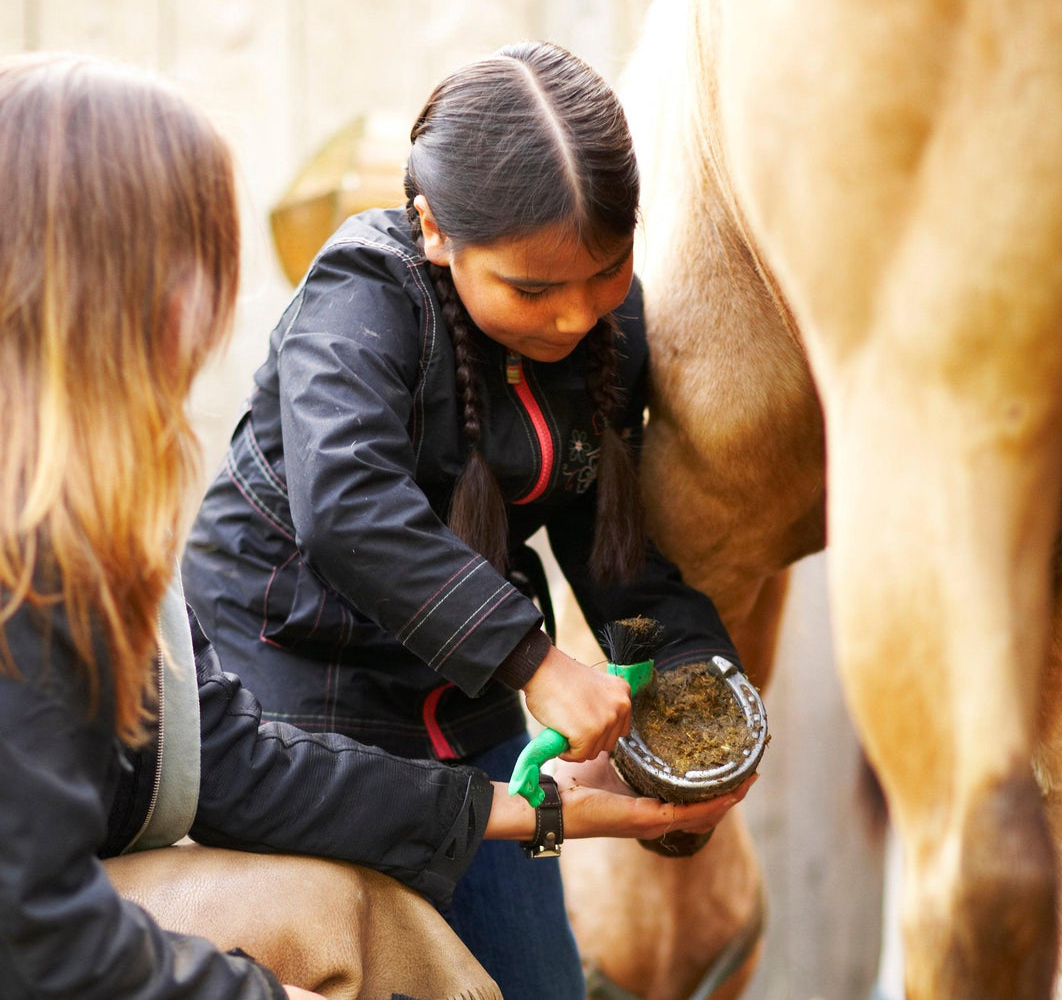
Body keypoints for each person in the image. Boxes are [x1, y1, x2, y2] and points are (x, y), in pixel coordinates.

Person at [0, 51, 744, 1000]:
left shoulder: (84, 531)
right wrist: (534, 662)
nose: (571, 318)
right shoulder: (361, 295)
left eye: (604, 274)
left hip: (447, 697)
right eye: (532, 290)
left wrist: (681, 681)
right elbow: (349, 508)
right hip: (302, 688)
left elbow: (615, 545)